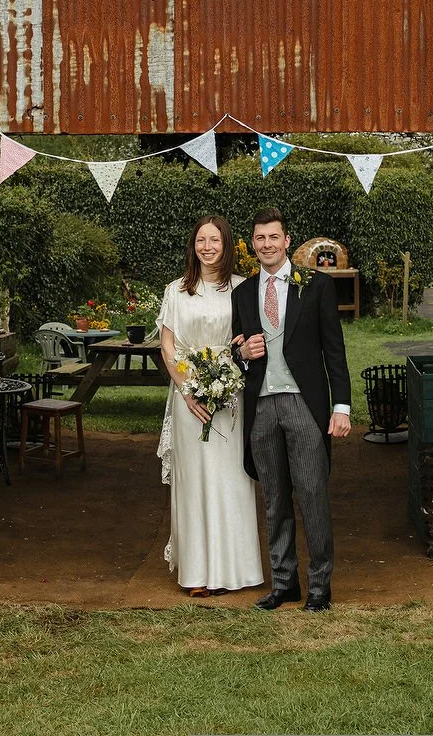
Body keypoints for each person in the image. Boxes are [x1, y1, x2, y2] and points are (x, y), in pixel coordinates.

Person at [231, 207, 352, 612]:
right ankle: (284, 583)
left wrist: (342, 406)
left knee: (313, 494)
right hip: (262, 406)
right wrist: (243, 353)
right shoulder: (243, 293)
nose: (267, 244)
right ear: (253, 244)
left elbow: (334, 349)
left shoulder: (316, 286)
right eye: (260, 238)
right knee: (274, 499)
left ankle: (320, 587)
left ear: (286, 241)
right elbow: (237, 350)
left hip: (304, 403)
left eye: (274, 237)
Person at [156, 216, 263, 597]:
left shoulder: (242, 288)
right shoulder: (176, 290)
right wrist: (187, 389)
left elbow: (248, 339)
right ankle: (197, 572)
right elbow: (167, 346)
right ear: (193, 246)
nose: (207, 247)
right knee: (195, 483)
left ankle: (235, 571)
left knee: (231, 480)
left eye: (214, 240)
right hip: (189, 399)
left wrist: (228, 375)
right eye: (201, 240)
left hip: (230, 395)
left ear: (226, 244)